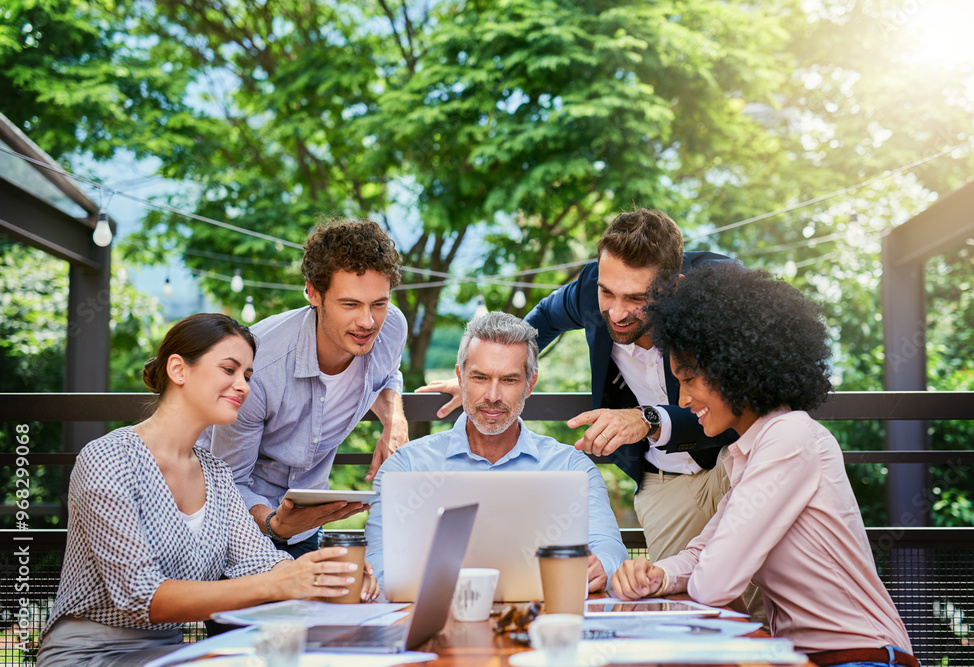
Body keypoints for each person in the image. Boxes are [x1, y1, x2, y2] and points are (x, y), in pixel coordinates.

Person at [610, 264, 916, 667]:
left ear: (732, 369)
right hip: (807, 658)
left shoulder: (790, 438)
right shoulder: (750, 452)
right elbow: (702, 551)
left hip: (863, 657)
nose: (681, 400)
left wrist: (678, 574)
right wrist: (656, 576)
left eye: (690, 379)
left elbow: (715, 583)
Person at [37, 314, 377, 667]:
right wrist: (282, 584)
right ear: (178, 370)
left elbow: (260, 561)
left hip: (168, 652)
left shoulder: (216, 473)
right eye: (229, 370)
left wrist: (328, 573)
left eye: (247, 375)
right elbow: (141, 596)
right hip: (88, 656)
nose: (244, 386)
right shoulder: (109, 458)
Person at [418, 209, 735, 563]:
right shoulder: (587, 290)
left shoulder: (721, 292)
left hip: (732, 460)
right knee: (677, 599)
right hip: (664, 478)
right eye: (607, 293)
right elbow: (542, 320)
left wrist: (647, 419)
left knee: (755, 600)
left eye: (635, 299)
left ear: (673, 287)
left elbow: (741, 399)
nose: (616, 313)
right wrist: (487, 375)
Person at [367, 312, 628, 591]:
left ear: (530, 383)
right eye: (480, 377)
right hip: (435, 623)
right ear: (461, 377)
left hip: (539, 622)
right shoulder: (405, 467)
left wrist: (601, 565)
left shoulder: (572, 468)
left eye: (509, 380)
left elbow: (610, 547)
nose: (492, 396)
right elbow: (378, 561)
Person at [204, 218, 408, 557]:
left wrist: (394, 417)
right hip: (235, 529)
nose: (368, 322)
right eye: (350, 304)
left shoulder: (392, 329)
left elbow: (388, 375)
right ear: (313, 292)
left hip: (307, 527)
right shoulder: (257, 368)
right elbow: (227, 482)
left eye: (379, 303)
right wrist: (273, 524)